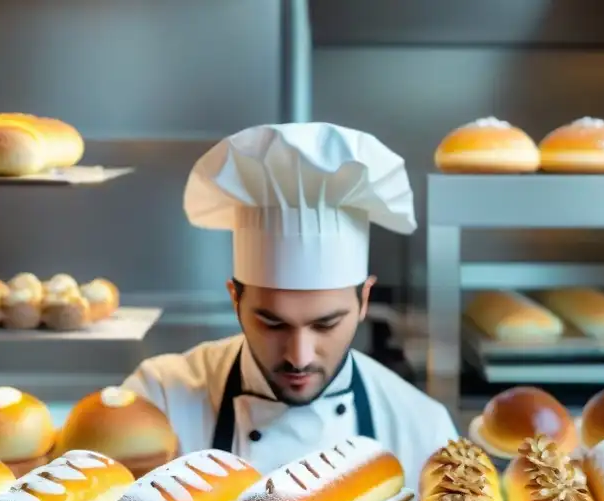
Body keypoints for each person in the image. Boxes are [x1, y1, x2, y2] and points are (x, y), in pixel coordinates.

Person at [121, 122, 458, 482]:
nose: (299, 356)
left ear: (364, 300)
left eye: (326, 324)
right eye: (272, 323)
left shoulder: (422, 429)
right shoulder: (160, 399)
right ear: (235, 298)